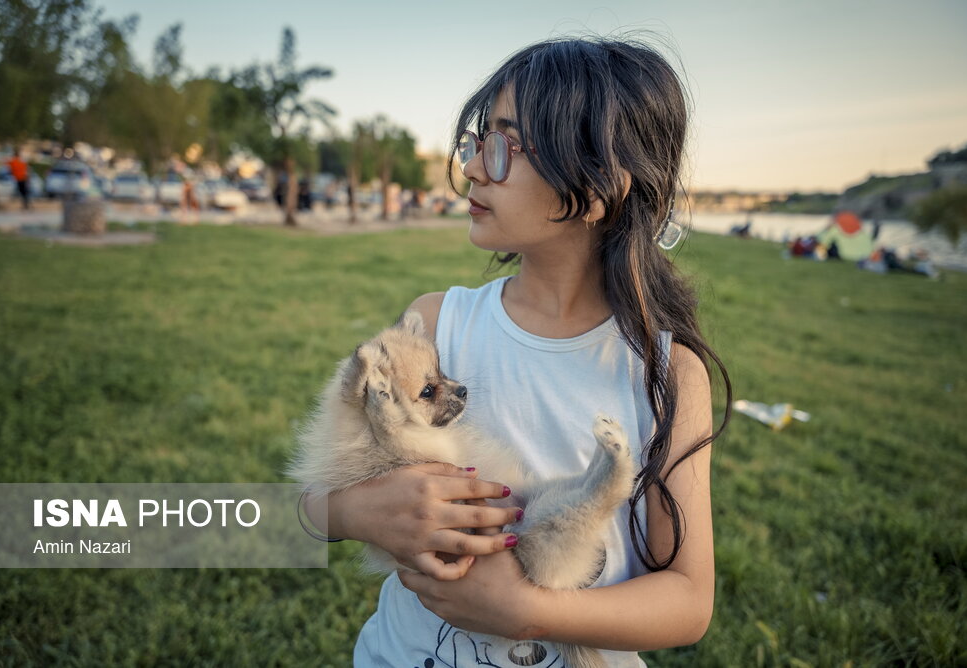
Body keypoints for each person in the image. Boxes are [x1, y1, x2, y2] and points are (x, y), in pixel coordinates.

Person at [307, 36, 730, 667]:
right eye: (478, 140)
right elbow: (312, 507)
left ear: (597, 187)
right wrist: (354, 512)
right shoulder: (435, 326)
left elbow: (689, 603)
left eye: (506, 145)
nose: (475, 167)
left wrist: (523, 609)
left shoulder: (667, 375)